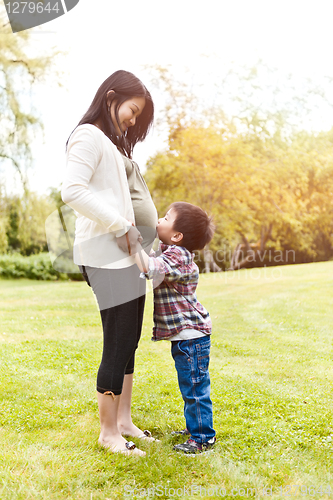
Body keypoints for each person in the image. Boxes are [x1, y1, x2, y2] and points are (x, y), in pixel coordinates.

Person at [61, 70, 158, 457]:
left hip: (125, 255)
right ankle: (107, 432)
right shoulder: (87, 136)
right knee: (118, 340)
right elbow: (72, 190)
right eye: (132, 111)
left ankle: (123, 420)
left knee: (130, 339)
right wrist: (122, 225)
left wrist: (139, 244)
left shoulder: (110, 144)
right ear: (112, 96)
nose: (133, 121)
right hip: (103, 253)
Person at [133, 201, 216, 454]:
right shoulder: (172, 250)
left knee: (194, 387)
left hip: (191, 337)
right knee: (190, 385)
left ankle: (203, 438)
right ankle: (195, 429)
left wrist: (130, 243)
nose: (159, 220)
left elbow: (150, 268)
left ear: (177, 235)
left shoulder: (178, 256)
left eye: (166, 218)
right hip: (187, 337)